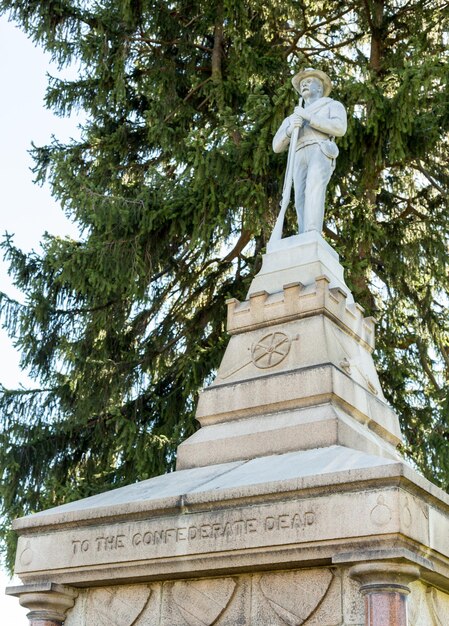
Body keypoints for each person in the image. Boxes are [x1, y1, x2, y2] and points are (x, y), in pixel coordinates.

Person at [273, 68, 347, 234]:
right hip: (298, 154)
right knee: (300, 196)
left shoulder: (332, 105)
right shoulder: (293, 117)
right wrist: (290, 128)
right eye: (302, 84)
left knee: (314, 187)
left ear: (320, 87)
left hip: (319, 148)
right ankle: (303, 232)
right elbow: (276, 146)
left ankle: (312, 231)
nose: (304, 85)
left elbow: (339, 127)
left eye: (309, 82)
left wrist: (310, 118)